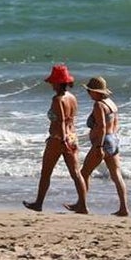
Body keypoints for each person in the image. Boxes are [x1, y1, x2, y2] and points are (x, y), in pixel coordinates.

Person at [24, 64, 88, 213]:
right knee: (76, 173)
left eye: (53, 81)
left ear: (59, 82)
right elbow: (70, 119)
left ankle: (39, 203)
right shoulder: (72, 98)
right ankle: (83, 205)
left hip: (59, 138)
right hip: (73, 137)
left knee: (46, 172)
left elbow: (61, 121)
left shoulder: (58, 99)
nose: (51, 84)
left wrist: (62, 139)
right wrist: (68, 138)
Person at [80, 76, 130, 217]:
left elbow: (101, 127)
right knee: (116, 175)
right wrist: (110, 138)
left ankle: (81, 205)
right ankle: (124, 208)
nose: (88, 93)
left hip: (103, 142)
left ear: (96, 92)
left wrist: (99, 146)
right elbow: (116, 124)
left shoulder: (99, 105)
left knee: (84, 173)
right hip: (113, 139)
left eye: (89, 91)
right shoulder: (111, 104)